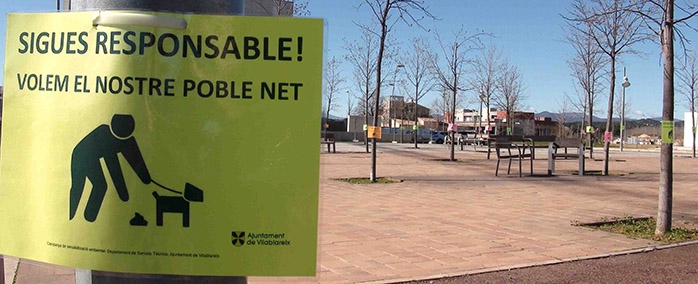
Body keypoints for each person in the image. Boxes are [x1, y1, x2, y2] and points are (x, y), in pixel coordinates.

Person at [69, 114, 151, 222]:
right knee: (96, 185)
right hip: (81, 155)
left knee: (100, 186)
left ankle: (87, 218)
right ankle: (86, 218)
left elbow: (136, 159)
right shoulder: (106, 137)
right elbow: (114, 169)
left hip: (92, 154)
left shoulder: (127, 140)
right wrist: (124, 195)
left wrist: (146, 179)